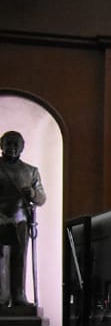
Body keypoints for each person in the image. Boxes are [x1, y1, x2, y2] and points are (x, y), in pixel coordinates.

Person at [0, 131, 46, 308]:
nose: (11, 147)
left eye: (15, 144)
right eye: (8, 143)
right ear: (1, 145)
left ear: (22, 147)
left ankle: (18, 295)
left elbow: (41, 198)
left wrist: (33, 194)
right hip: (1, 220)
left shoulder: (30, 171)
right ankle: (2, 297)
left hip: (21, 220)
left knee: (19, 259)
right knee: (1, 258)